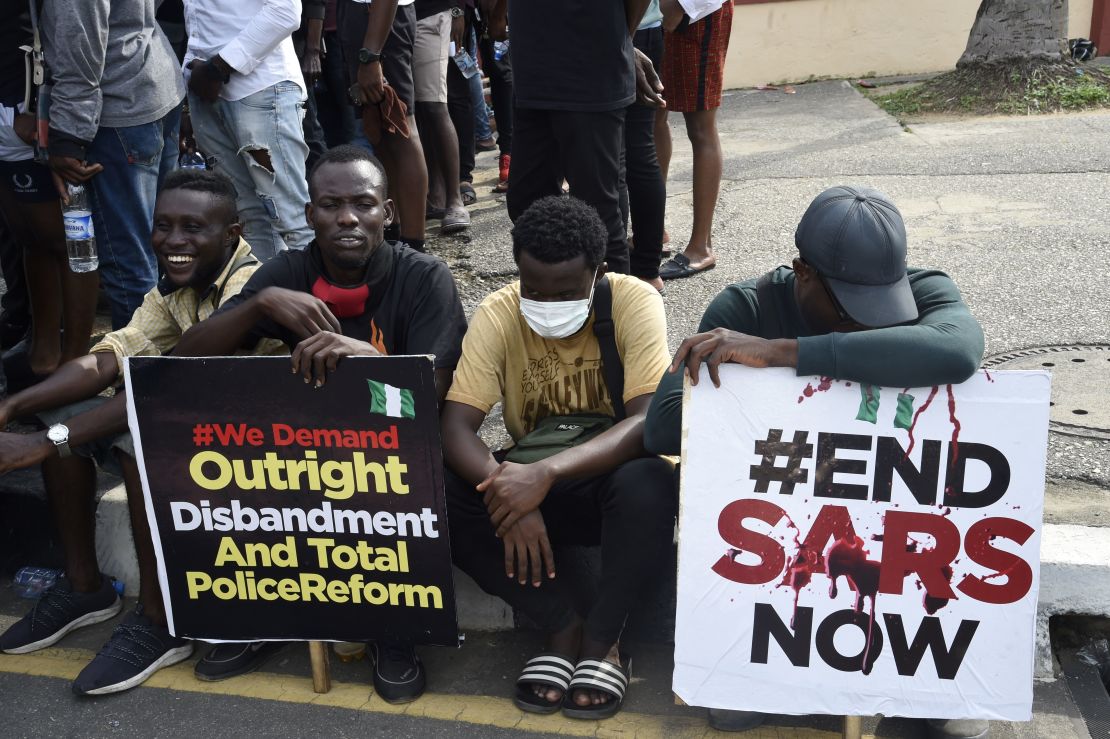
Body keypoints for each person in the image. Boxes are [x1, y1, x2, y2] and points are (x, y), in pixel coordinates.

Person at [643, 185, 987, 739]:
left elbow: (959, 352)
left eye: (880, 303)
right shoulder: (745, 307)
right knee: (733, 705)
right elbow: (662, 426)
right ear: (803, 273)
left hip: (880, 525)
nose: (867, 322)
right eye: (851, 306)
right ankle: (759, 667)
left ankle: (919, 686)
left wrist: (786, 354)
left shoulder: (928, 290)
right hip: (788, 531)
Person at [174, 144, 468, 701]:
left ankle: (395, 629)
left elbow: (426, 402)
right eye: (331, 205)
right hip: (307, 456)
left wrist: (367, 362)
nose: (348, 218)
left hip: (395, 456)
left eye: (362, 203)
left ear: (388, 212)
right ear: (310, 215)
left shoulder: (425, 280)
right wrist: (258, 307)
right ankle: (273, 616)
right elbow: (186, 363)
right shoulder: (289, 271)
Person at [0, 169, 284, 696]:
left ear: (232, 233)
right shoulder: (175, 284)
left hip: (261, 453)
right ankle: (86, 588)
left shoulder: (253, 285)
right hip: (191, 420)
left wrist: (39, 444)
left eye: (193, 228)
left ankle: (161, 621)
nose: (174, 241)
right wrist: (12, 405)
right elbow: (114, 356)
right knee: (61, 418)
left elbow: (162, 389)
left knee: (136, 440)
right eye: (163, 227)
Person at [440, 196, 677, 719]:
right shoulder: (499, 312)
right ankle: (560, 623)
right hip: (529, 477)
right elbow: (455, 427)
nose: (546, 303)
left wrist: (545, 474)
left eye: (566, 292)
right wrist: (511, 490)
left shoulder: (634, 301)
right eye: (533, 289)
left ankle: (602, 642)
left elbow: (648, 422)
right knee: (436, 486)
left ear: (598, 272)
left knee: (652, 480)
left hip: (603, 476)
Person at [40, 0, 185, 329]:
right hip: (153, 84)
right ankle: (169, 364)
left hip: (120, 107)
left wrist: (68, 136)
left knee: (130, 265)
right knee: (161, 251)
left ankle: (143, 375)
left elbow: (80, 43)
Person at [501, 0, 664, 275]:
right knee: (527, 202)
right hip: (533, 71)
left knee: (597, 211)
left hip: (590, 68)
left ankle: (611, 311)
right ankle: (555, 298)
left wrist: (622, 38)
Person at [0, 4, 97, 379]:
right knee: (28, 238)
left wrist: (29, 111)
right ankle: (43, 353)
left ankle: (73, 364)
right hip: (13, 110)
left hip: (32, 108)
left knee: (65, 240)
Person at [183, 0, 315, 261]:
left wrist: (219, 67)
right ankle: (272, 299)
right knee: (248, 220)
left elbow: (285, 10)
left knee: (294, 221)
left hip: (260, 87)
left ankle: (323, 301)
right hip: (206, 89)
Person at [339, 0, 431, 253]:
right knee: (381, 130)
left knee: (400, 125)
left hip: (379, 21)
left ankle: (414, 246)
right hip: (361, 17)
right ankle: (394, 234)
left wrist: (371, 53)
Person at [656, 0, 731, 280]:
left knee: (700, 128)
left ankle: (701, 246)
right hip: (653, 13)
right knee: (652, 115)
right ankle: (652, 230)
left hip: (698, 11)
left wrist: (679, 5)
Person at [413, 0, 469, 234]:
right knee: (415, 111)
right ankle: (435, 192)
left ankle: (454, 198)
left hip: (432, 15)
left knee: (435, 104)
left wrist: (458, 10)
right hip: (396, 20)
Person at [623, 0, 666, 293]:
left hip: (626, 34)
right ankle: (647, 269)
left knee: (629, 154)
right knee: (637, 150)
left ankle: (645, 269)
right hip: (640, 30)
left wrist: (623, 38)